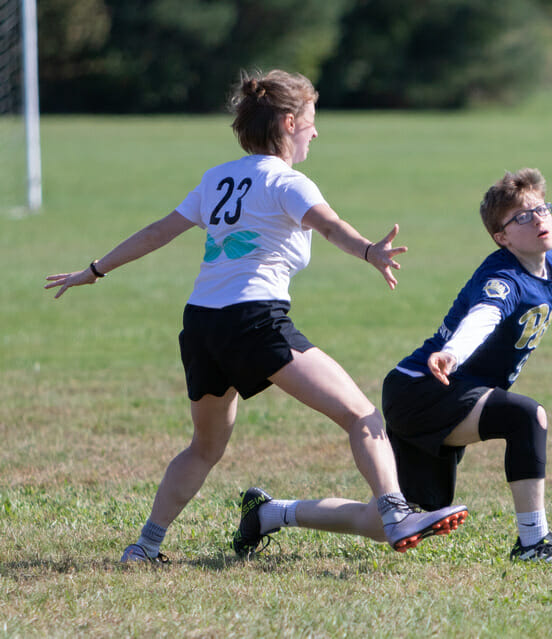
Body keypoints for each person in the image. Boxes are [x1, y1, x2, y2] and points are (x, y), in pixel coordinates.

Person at [44, 69, 467, 563]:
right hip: (253, 321)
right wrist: (370, 251)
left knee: (204, 447)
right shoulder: (288, 182)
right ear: (288, 123)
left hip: (202, 325)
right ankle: (396, 513)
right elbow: (329, 227)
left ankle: (145, 546)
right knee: (362, 415)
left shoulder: (217, 177)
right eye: (310, 121)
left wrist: (96, 269)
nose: (315, 131)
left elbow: (159, 231)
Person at [240, 167, 552, 563]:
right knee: (527, 417)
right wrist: (453, 353)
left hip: (448, 392)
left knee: (385, 522)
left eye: (542, 210)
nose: (538, 219)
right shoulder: (503, 277)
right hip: (421, 389)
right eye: (522, 216)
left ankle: (267, 513)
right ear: (501, 237)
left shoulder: (548, 262)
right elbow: (484, 315)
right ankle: (533, 544)